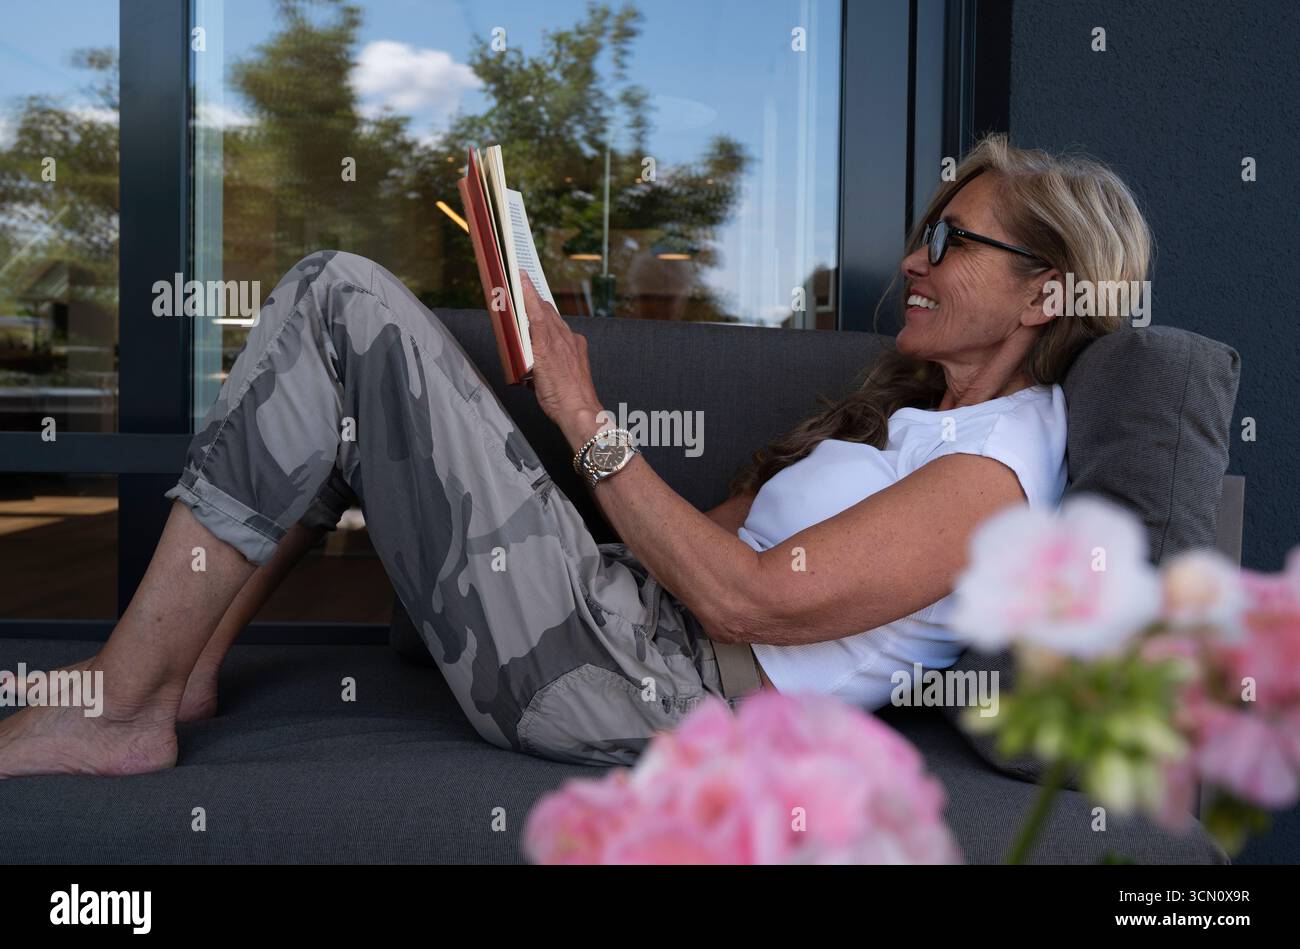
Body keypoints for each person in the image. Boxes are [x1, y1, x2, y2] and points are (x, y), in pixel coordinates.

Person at [0, 134, 1150, 774]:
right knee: (350, 380)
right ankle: (180, 671)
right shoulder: (913, 415)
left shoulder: (1001, 466)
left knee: (334, 295)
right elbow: (712, 550)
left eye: (952, 241)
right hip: (623, 624)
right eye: (921, 234)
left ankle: (122, 699)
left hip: (642, 691)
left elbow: (747, 604)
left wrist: (579, 413)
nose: (915, 260)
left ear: (1047, 290)